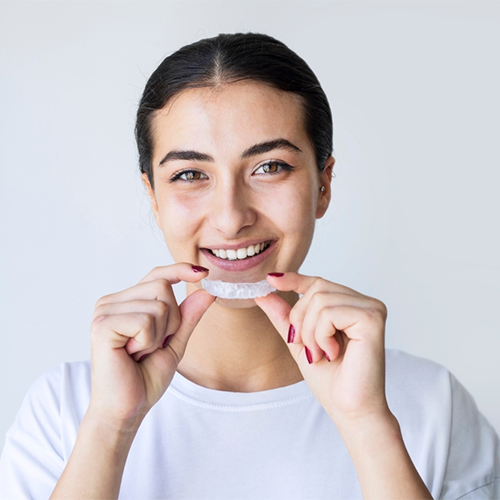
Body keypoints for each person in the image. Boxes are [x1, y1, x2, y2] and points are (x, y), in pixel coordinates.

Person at [1, 32, 499, 500]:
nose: (231, 217)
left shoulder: (435, 406)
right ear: (152, 197)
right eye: (190, 174)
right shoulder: (65, 410)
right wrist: (110, 427)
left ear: (323, 185)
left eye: (270, 167)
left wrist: (367, 423)